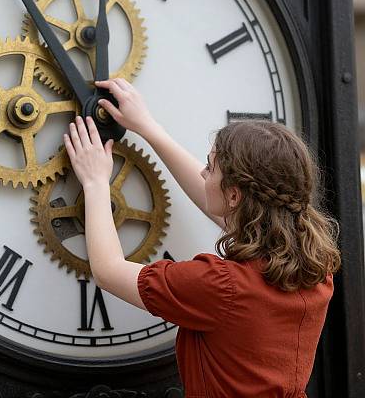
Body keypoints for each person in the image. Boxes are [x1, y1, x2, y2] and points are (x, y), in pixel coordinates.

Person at [63, 77, 341, 398]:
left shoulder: (220, 287)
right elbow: (232, 212)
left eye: (210, 168)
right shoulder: (317, 269)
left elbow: (109, 271)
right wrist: (149, 128)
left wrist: (96, 181)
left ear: (234, 195)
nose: (203, 174)